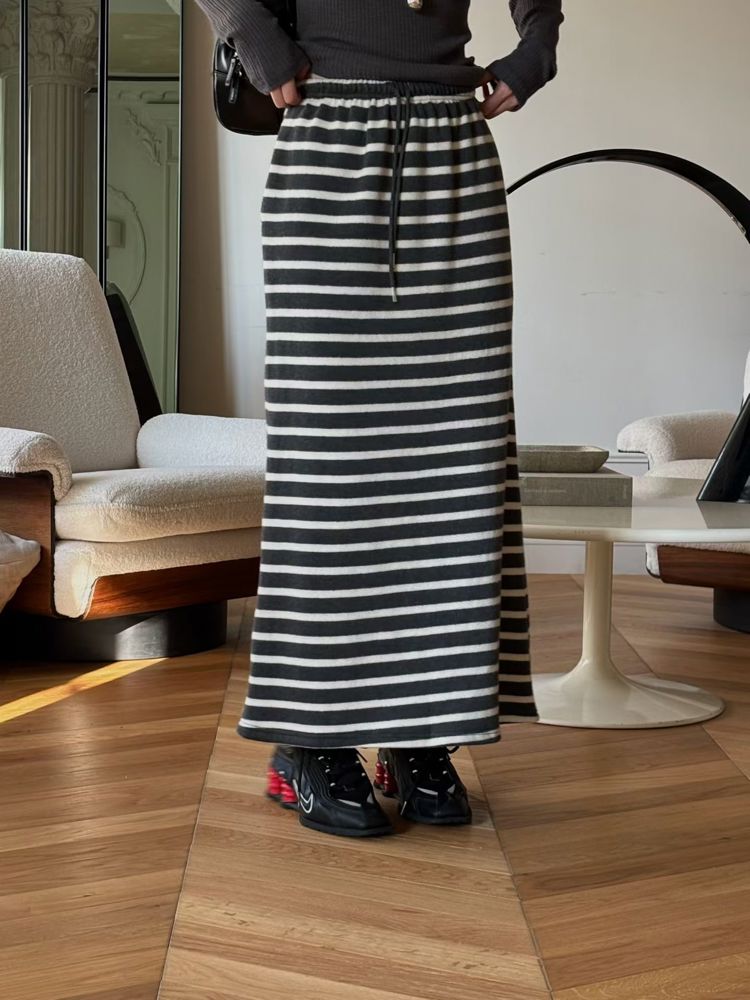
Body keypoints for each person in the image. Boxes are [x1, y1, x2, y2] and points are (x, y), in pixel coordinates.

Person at [193, 0, 563, 839]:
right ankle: (309, 741)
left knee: (454, 466)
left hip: (455, 154)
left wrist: (538, 45)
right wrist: (253, 32)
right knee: (330, 471)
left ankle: (419, 726)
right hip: (329, 145)